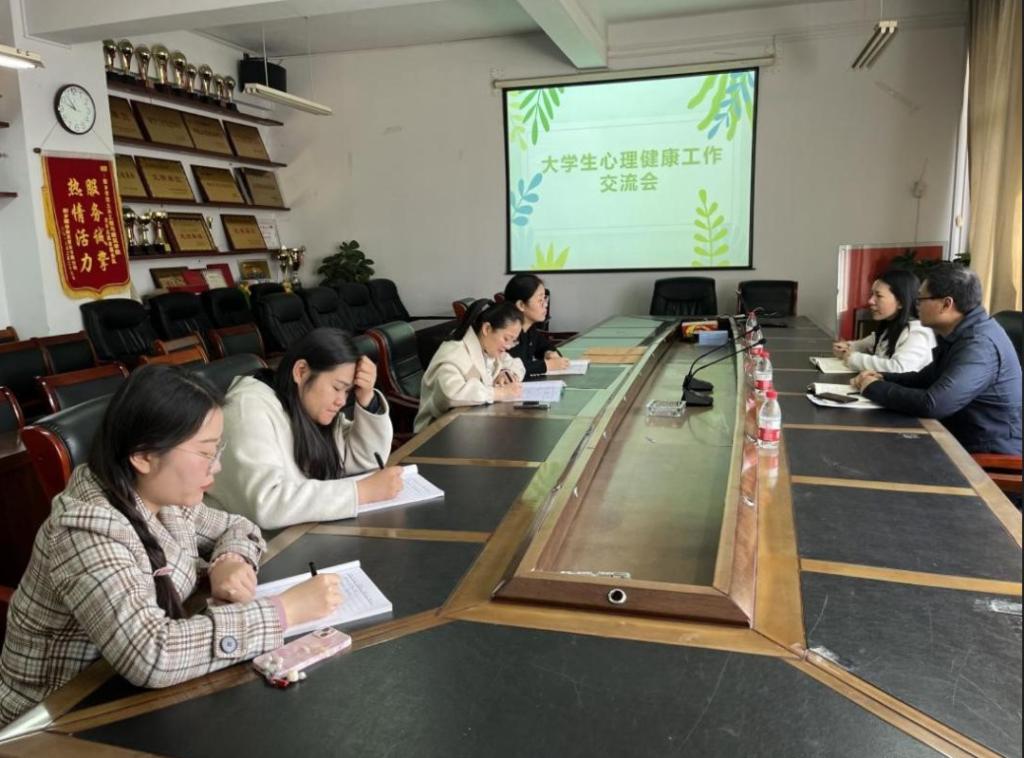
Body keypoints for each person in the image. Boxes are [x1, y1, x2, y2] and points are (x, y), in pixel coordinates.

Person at [0, 366, 342, 727]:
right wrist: (284, 611)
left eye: (218, 448)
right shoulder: (86, 529)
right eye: (206, 452)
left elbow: (239, 526)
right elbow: (151, 654)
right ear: (144, 455)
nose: (217, 466)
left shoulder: (160, 495)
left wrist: (229, 560)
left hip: (131, 699)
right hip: (53, 720)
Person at [205, 328, 402, 530]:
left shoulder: (307, 406)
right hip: (248, 542)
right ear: (301, 371)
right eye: (336, 388)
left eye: (348, 392)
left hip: (298, 533)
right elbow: (266, 504)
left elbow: (365, 460)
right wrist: (361, 492)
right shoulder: (247, 408)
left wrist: (366, 397)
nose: (342, 401)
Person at [853, 263, 1022, 455]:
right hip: (956, 437)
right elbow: (925, 378)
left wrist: (873, 387)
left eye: (921, 299)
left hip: (984, 454)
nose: (916, 305)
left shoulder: (979, 345)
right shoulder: (959, 333)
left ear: (946, 304)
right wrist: (882, 377)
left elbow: (933, 404)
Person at [415, 299, 526, 431]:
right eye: (506, 339)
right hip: (437, 429)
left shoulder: (487, 346)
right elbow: (451, 393)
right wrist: (499, 393)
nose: (508, 346)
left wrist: (506, 372)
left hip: (470, 423)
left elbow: (516, 363)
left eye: (513, 341)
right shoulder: (455, 352)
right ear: (487, 329)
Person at [832, 269, 936, 373]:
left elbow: (899, 368)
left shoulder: (917, 333)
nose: (870, 301)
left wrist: (853, 358)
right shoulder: (890, 326)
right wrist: (846, 347)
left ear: (900, 302)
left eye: (879, 296)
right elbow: (866, 344)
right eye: (872, 294)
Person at [503, 274, 570, 376]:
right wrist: (547, 365)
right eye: (540, 300)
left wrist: (549, 353)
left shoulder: (529, 328)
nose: (545, 305)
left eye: (545, 299)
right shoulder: (507, 332)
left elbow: (545, 345)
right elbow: (513, 368)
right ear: (521, 305)